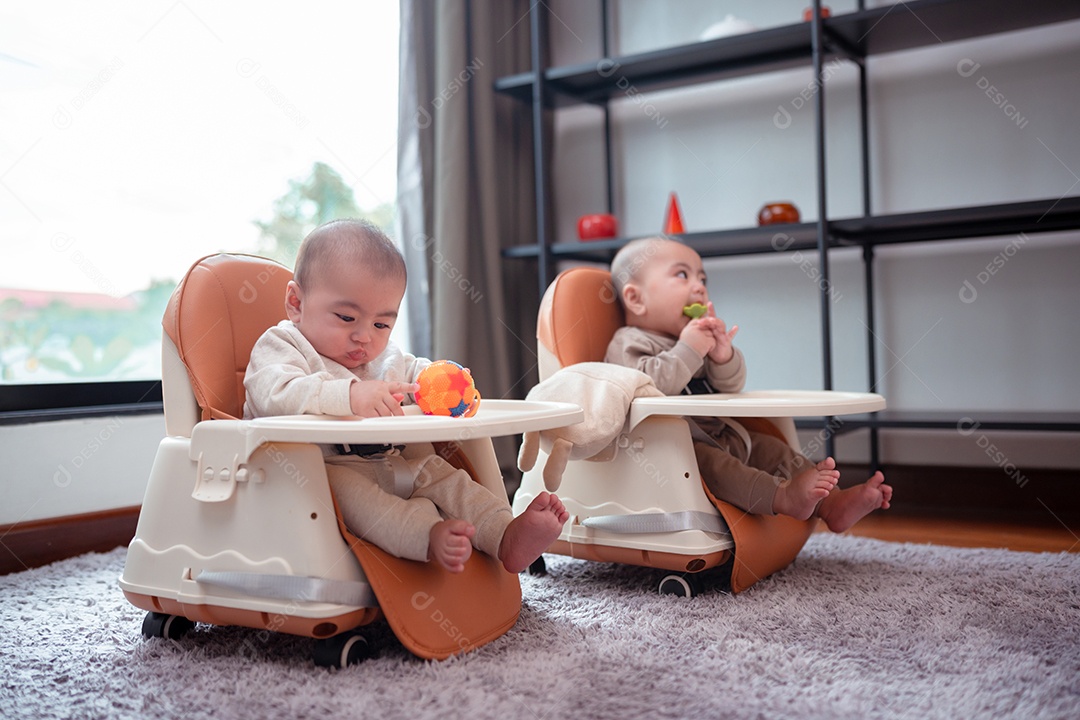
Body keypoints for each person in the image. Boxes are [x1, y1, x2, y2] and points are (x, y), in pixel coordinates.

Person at [243, 219, 568, 573]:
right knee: (355, 498)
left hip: (395, 461)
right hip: (320, 471)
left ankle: (505, 534)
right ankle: (427, 537)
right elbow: (275, 394)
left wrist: (444, 380)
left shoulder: (384, 357)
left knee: (449, 478)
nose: (365, 337)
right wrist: (349, 395)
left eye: (382, 324)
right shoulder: (283, 346)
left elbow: (416, 374)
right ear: (296, 302)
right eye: (347, 317)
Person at [604, 236, 891, 532]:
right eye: (682, 275)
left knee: (776, 451)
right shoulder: (629, 341)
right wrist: (688, 349)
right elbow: (647, 386)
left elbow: (731, 386)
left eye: (702, 278)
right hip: (675, 451)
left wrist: (722, 355)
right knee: (720, 468)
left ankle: (832, 504)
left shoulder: (691, 339)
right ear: (636, 299)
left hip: (726, 434)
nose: (699, 287)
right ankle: (783, 497)